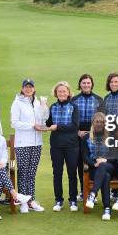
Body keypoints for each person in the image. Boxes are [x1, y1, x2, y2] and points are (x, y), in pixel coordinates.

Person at [10, 78, 49, 213]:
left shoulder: (38, 102)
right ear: (22, 89)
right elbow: (14, 123)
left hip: (37, 143)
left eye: (30, 87)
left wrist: (45, 107)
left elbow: (43, 119)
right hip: (23, 144)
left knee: (31, 173)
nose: (28, 89)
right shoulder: (17, 103)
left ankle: (31, 200)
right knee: (23, 173)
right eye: (26, 87)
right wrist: (32, 126)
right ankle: (23, 202)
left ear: (34, 88)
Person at [46, 81, 80, 212]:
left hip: (71, 145)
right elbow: (48, 123)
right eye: (59, 91)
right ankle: (58, 200)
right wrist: (44, 111)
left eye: (64, 91)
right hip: (56, 145)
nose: (62, 93)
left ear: (68, 93)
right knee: (57, 173)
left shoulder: (73, 107)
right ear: (56, 93)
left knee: (72, 172)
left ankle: (73, 200)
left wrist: (58, 127)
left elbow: (74, 126)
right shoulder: (52, 107)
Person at [71, 74, 104, 198]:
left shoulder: (98, 99)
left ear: (92, 84)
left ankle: (92, 192)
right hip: (77, 135)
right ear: (80, 84)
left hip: (93, 136)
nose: (86, 85)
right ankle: (83, 190)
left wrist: (92, 132)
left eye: (88, 83)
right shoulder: (74, 100)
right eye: (83, 83)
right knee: (80, 163)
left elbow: (101, 119)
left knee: (92, 161)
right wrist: (77, 131)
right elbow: (70, 119)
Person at [83, 112, 118, 221]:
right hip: (94, 168)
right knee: (106, 176)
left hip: (110, 165)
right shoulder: (86, 137)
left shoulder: (111, 136)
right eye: (97, 122)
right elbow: (85, 156)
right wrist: (94, 163)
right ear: (93, 123)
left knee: (104, 167)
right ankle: (107, 209)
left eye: (102, 122)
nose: (99, 124)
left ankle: (93, 194)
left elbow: (116, 155)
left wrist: (105, 160)